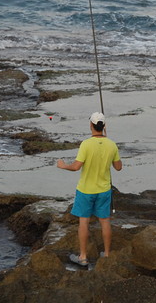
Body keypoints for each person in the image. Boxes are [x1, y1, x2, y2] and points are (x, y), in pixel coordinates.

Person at [56, 111, 122, 266]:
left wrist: (63, 165)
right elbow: (118, 167)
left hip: (85, 190)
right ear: (104, 126)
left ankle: (83, 257)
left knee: (84, 222)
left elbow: (76, 167)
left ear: (91, 125)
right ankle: (106, 254)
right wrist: (109, 147)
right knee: (105, 222)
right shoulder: (112, 144)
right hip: (104, 190)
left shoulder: (86, 144)